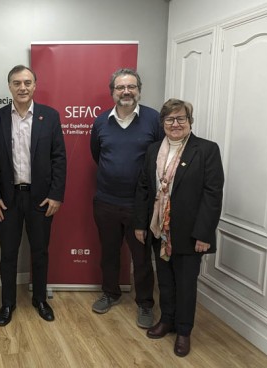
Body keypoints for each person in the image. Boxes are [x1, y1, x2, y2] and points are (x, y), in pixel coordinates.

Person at [134, 98, 224, 357]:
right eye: (170, 119)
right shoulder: (153, 150)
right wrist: (141, 224)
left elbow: (212, 194)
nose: (175, 124)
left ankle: (184, 331)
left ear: (189, 121)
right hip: (158, 229)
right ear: (162, 123)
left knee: (185, 284)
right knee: (165, 280)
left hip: (189, 233)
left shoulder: (206, 150)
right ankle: (167, 320)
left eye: (180, 119)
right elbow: (143, 188)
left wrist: (204, 234)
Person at [0, 65, 66, 326]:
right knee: (8, 253)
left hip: (40, 198)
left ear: (34, 85)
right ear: (9, 86)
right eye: (17, 83)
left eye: (27, 82)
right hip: (7, 199)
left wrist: (56, 195)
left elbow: (59, 159)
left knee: (40, 251)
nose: (22, 87)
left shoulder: (49, 117)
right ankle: (7, 303)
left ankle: (40, 299)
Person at [90, 68, 163, 328]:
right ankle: (110, 293)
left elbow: (161, 159)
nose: (126, 92)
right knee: (109, 253)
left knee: (142, 258)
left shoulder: (154, 120)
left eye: (131, 86)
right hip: (106, 201)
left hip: (139, 205)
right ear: (112, 92)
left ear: (139, 90)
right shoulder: (101, 122)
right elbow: (97, 154)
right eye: (120, 87)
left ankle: (145, 304)